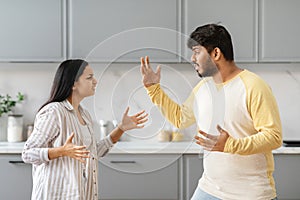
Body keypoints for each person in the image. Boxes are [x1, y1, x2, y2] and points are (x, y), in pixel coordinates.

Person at [140, 24, 282, 200]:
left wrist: (230, 145)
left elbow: (274, 136)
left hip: (251, 193)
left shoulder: (253, 86)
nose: (192, 58)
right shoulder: (203, 88)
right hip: (209, 189)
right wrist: (154, 89)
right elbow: (180, 118)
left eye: (197, 51)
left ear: (215, 53)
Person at [22, 59, 148, 200]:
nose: (95, 81)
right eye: (89, 77)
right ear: (73, 83)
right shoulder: (54, 112)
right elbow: (27, 154)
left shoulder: (84, 115)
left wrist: (121, 129)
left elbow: (92, 153)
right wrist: (61, 151)